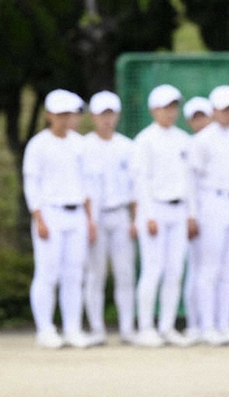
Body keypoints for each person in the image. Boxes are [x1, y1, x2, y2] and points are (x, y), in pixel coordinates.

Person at [23, 89, 96, 349]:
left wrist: (90, 220)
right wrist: (39, 217)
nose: (66, 119)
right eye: (61, 114)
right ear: (49, 115)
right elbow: (32, 184)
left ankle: (73, 328)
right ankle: (45, 329)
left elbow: (86, 184)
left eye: (69, 114)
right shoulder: (38, 145)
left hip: (76, 214)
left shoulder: (79, 143)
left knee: (74, 274)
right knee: (48, 273)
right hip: (50, 214)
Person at [131, 84, 194, 347]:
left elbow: (189, 180)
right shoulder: (144, 140)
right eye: (165, 107)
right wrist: (147, 215)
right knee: (153, 269)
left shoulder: (183, 139)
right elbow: (141, 181)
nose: (170, 112)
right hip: (155, 209)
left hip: (179, 210)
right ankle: (145, 327)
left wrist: (192, 214)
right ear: (153, 110)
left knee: (174, 270)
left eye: (173, 107)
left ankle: (167, 325)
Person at [189, 85, 229, 345]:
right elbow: (192, 179)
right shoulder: (202, 140)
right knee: (210, 268)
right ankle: (207, 325)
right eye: (223, 109)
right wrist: (193, 214)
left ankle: (224, 323)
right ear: (213, 110)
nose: (228, 114)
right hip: (212, 203)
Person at [82, 90, 137, 345]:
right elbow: (82, 188)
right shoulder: (84, 147)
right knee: (96, 274)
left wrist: (135, 219)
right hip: (95, 217)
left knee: (125, 273)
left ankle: (127, 327)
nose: (107, 119)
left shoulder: (127, 146)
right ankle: (96, 329)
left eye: (111, 114)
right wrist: (88, 220)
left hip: (120, 214)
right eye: (102, 114)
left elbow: (135, 187)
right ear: (93, 116)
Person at [180, 96, 213, 342]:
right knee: (198, 270)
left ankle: (211, 323)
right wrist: (192, 215)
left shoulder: (210, 141)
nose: (200, 121)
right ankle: (195, 323)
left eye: (203, 115)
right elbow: (191, 185)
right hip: (198, 212)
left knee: (210, 271)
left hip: (211, 210)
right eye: (195, 117)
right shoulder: (195, 144)